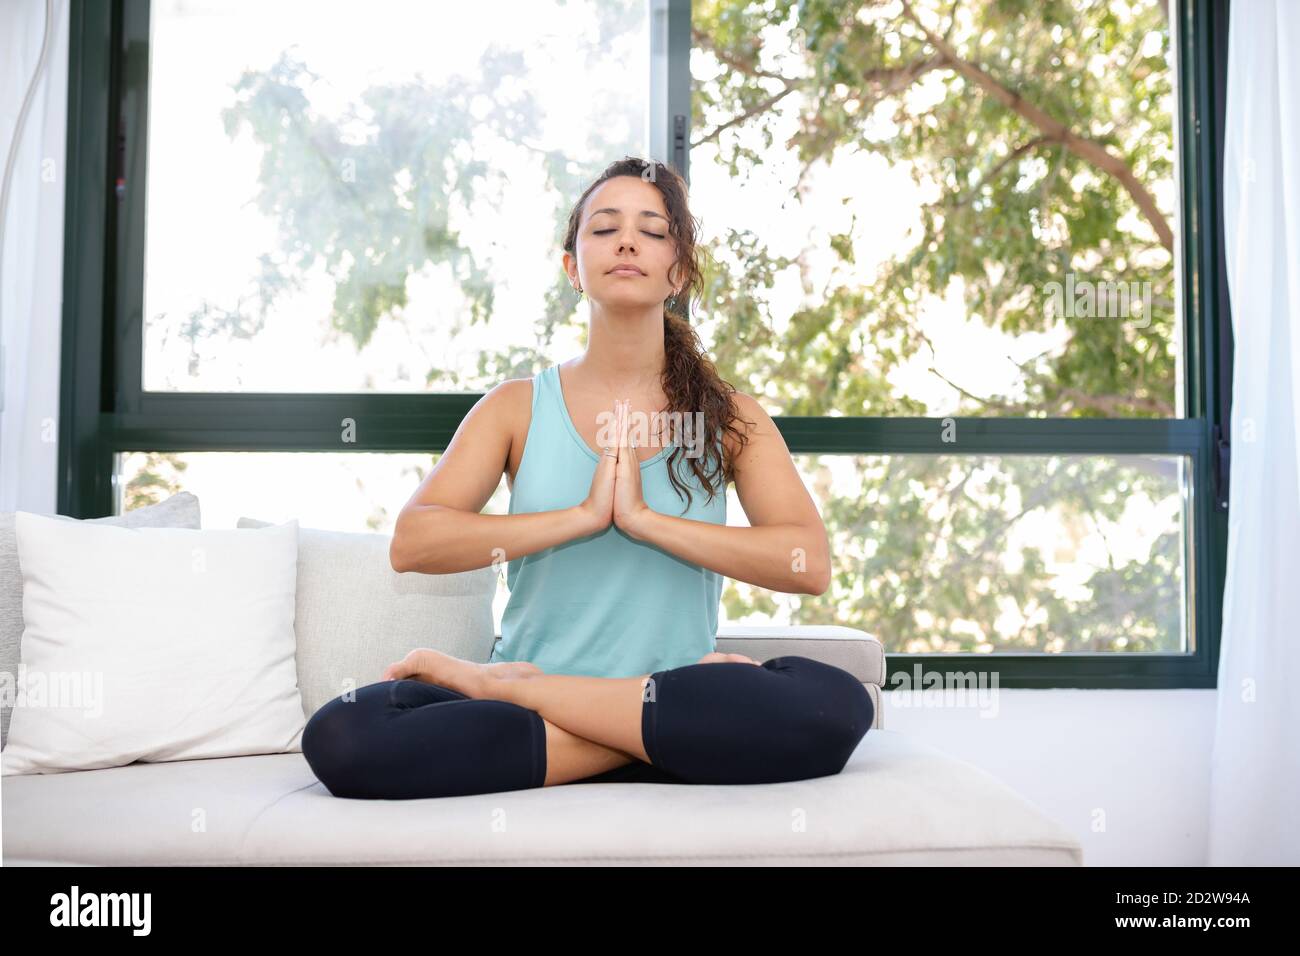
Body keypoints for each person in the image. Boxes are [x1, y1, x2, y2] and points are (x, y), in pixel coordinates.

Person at [301, 157, 874, 799]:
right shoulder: (515, 407)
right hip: (607, 718)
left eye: (652, 231)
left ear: (677, 270)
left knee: (838, 705)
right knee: (344, 734)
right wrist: (580, 517)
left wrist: (646, 522)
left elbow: (807, 563)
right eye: (604, 228)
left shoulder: (730, 419)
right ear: (573, 265)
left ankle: (534, 694)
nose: (627, 241)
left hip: (660, 694)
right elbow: (414, 543)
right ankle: (644, 742)